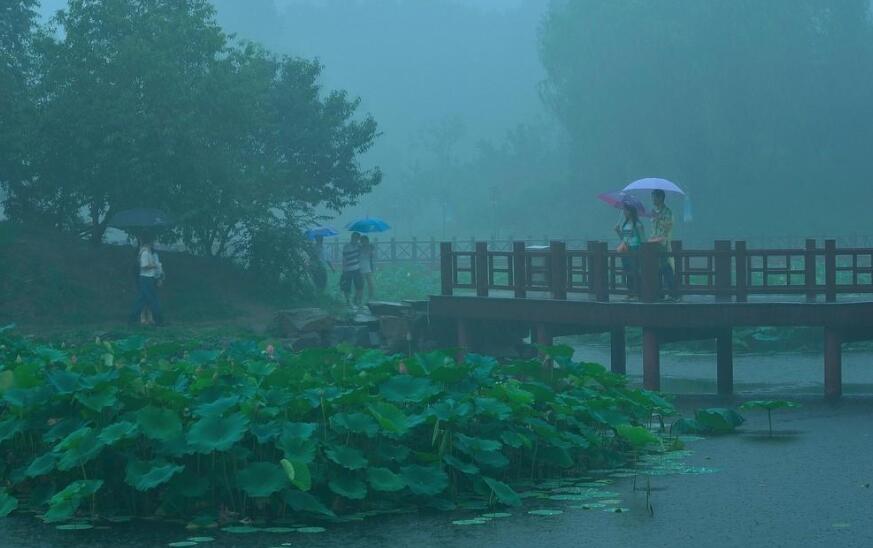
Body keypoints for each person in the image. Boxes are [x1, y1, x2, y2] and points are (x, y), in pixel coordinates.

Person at [649, 189, 678, 301]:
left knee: (666, 267)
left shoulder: (667, 211)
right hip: (652, 243)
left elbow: (668, 227)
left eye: (654, 197)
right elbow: (653, 229)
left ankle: (671, 292)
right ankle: (659, 292)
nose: (652, 199)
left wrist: (659, 218)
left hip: (662, 243)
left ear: (660, 198)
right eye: (652, 197)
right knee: (656, 269)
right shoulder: (653, 211)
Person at [129, 237, 164, 326]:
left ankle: (132, 318)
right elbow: (144, 266)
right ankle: (158, 319)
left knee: (142, 299)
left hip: (148, 278)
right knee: (152, 299)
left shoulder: (149, 253)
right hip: (146, 278)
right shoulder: (145, 253)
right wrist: (154, 265)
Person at [614, 203, 645, 300]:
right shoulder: (625, 224)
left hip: (635, 249)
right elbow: (624, 239)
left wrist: (641, 250)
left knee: (635, 271)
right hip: (626, 249)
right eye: (624, 210)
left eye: (626, 210)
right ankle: (630, 291)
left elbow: (642, 239)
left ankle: (637, 292)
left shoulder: (638, 225)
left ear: (631, 212)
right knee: (627, 271)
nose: (624, 212)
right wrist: (618, 231)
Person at [340, 232, 364, 307]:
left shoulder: (359, 246)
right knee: (347, 286)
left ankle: (357, 299)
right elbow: (346, 257)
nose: (356, 240)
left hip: (357, 268)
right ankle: (348, 301)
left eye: (357, 238)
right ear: (352, 238)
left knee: (359, 285)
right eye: (355, 238)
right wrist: (343, 270)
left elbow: (362, 254)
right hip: (348, 269)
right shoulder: (347, 246)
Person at [359, 235, 375, 302]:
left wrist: (371, 250)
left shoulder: (370, 248)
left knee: (371, 284)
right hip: (360, 268)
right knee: (361, 285)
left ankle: (370, 298)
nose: (365, 242)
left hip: (368, 268)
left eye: (366, 241)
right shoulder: (359, 248)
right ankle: (360, 299)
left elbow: (372, 256)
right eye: (363, 241)